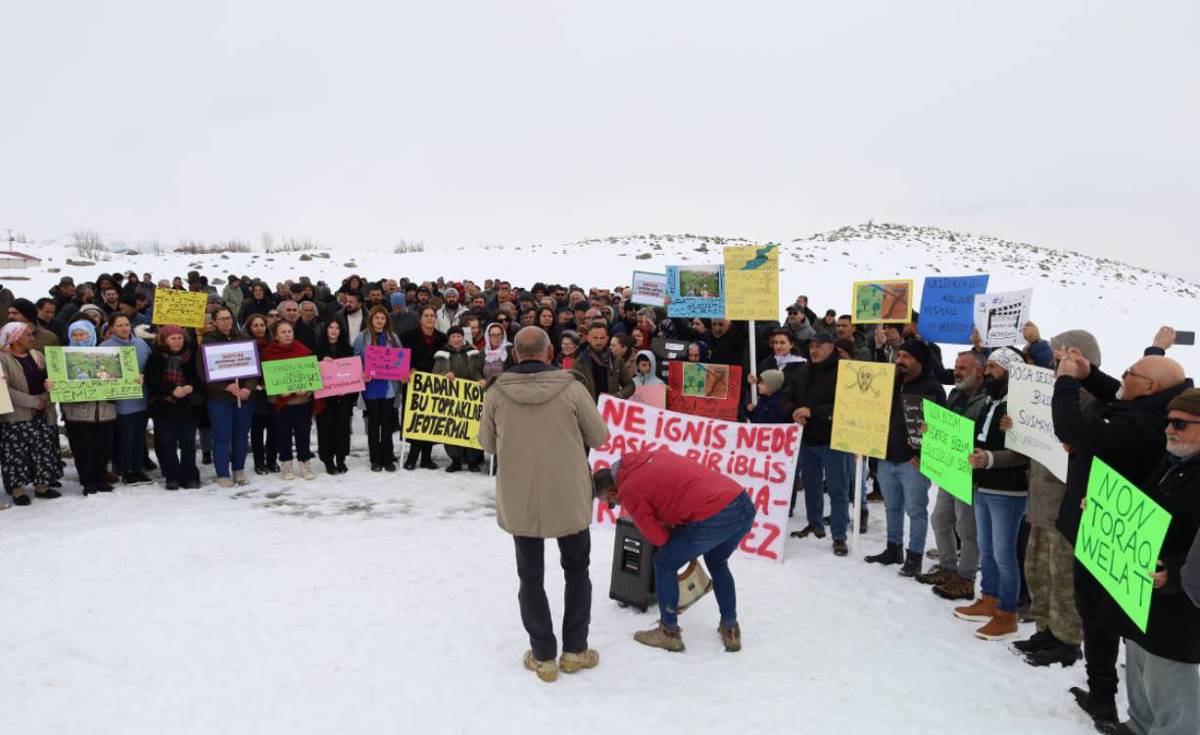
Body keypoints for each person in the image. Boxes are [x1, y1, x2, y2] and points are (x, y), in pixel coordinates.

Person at [1052, 342, 1191, 730]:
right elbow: (1117, 391)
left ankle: (1106, 698)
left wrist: (1065, 381)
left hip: (1120, 541)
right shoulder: (1158, 409)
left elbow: (1072, 427)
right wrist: (1088, 374)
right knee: (1100, 618)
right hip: (1107, 528)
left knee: (1104, 622)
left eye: (1130, 373)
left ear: (1148, 387)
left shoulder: (1145, 422)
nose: (1123, 377)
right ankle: (1111, 696)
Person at [478, 327, 609, 683]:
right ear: (550, 351)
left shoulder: (496, 392)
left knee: (530, 576)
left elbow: (486, 444)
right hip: (568, 493)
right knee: (577, 570)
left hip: (520, 495)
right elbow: (599, 436)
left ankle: (543, 656)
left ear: (516, 354)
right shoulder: (572, 388)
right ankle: (575, 650)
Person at [592, 446, 756, 654]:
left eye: (611, 503)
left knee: (664, 562)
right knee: (717, 562)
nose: (616, 505)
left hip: (712, 515)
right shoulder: (652, 455)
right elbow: (676, 492)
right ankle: (730, 628)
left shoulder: (628, 489)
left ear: (612, 492)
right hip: (741, 503)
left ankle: (668, 633)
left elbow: (659, 538)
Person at [1107, 387, 1200, 734]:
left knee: (1169, 680)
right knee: (1139, 663)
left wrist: (1174, 574)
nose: (1169, 430)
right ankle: (1139, 726)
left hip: (1180, 602)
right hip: (1143, 589)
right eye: (1168, 422)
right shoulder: (1173, 461)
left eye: (1180, 423)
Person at [1008, 330, 1101, 667]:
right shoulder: (1046, 390)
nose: (1055, 362)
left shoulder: (1090, 399)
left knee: (1063, 576)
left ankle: (1067, 640)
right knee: (1037, 571)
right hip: (1041, 500)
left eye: (1062, 356)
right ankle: (1046, 629)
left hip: (1065, 502)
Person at [952, 347, 1030, 641]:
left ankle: (1007, 613)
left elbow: (1024, 452)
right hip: (983, 484)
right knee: (988, 549)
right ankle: (990, 597)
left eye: (995, 368)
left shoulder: (1022, 407)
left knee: (1004, 554)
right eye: (989, 367)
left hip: (1008, 489)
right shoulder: (989, 400)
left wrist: (990, 459)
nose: (988, 372)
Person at [864, 340, 947, 575]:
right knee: (892, 506)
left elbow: (941, 428)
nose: (900, 360)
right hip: (886, 456)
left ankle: (914, 556)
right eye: (899, 355)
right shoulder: (889, 384)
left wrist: (924, 453)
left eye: (906, 356)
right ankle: (893, 548)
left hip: (913, 461)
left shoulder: (933, 388)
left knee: (916, 510)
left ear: (919, 361)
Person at [922, 351, 990, 600]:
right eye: (956, 366)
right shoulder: (956, 392)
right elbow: (948, 423)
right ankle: (948, 568)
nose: (956, 372)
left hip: (969, 472)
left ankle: (966, 578)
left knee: (966, 529)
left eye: (963, 368)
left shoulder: (987, 399)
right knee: (940, 519)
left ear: (979, 371)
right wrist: (932, 428)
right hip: (951, 469)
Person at [780, 333, 852, 554]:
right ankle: (815, 522)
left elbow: (848, 406)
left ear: (831, 347)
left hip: (834, 441)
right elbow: (785, 398)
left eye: (819, 346)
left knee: (837, 490)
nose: (814, 350)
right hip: (807, 440)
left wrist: (813, 412)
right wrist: (793, 412)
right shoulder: (803, 371)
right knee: (811, 486)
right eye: (812, 346)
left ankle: (839, 535)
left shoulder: (844, 372)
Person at [54, 320, 122, 496]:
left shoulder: (105, 354)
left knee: (103, 448)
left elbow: (117, 377)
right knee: (83, 449)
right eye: (74, 335)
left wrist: (132, 380)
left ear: (90, 335)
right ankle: (88, 481)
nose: (78, 338)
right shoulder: (62, 358)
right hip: (77, 414)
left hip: (105, 412)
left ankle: (100, 478)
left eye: (81, 334)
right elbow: (58, 383)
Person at [0, 322, 63, 505]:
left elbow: (50, 379)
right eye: (28, 335)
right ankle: (18, 489)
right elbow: (5, 390)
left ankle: (42, 486)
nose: (32, 338)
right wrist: (33, 402)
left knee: (43, 448)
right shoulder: (3, 359)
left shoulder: (38, 356)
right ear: (15, 337)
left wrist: (44, 396)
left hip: (42, 411)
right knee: (16, 452)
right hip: (17, 415)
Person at [143, 325, 203, 490]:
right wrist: (171, 389)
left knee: (188, 443)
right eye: (173, 338)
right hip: (164, 406)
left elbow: (200, 377)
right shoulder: (156, 357)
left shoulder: (191, 355)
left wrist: (190, 387)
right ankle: (172, 476)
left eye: (180, 338)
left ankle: (190, 476)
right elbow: (152, 380)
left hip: (188, 406)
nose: (177, 342)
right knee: (167, 444)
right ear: (165, 340)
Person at [205, 307, 257, 486]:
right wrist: (225, 386)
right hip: (220, 398)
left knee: (241, 435)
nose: (226, 322)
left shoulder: (244, 339)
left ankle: (238, 470)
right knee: (221, 435)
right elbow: (203, 372)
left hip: (243, 397)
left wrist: (249, 388)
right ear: (215, 322)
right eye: (222, 319)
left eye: (228, 318)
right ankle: (222, 473)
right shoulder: (209, 341)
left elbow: (253, 368)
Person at [100, 313, 154, 485]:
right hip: (122, 401)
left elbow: (150, 367)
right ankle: (126, 469)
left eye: (126, 324)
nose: (124, 328)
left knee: (139, 436)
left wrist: (145, 377)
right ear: (112, 328)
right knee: (125, 437)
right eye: (119, 325)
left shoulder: (141, 344)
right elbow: (100, 374)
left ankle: (138, 468)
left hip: (142, 398)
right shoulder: (105, 347)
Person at [262, 320, 316, 481]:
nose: (287, 334)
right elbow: (265, 379)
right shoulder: (269, 352)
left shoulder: (303, 350)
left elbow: (312, 377)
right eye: (283, 332)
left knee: (302, 433)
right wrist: (278, 390)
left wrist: (306, 390)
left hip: (301, 402)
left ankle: (305, 463)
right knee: (282, 433)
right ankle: (286, 465)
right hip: (280, 403)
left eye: (289, 331)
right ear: (276, 335)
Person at [354, 306, 401, 472]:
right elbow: (355, 358)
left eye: (382, 318)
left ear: (386, 320)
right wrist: (362, 372)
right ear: (371, 320)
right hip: (371, 387)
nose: (380, 321)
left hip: (388, 387)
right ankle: (375, 459)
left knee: (387, 425)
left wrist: (401, 373)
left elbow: (399, 358)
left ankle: (388, 458)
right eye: (377, 318)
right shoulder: (362, 337)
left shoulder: (393, 337)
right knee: (373, 425)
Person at [400, 305, 447, 470]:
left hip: (434, 386)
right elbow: (401, 357)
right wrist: (408, 368)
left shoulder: (443, 338)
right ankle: (412, 457)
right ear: (420, 318)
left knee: (430, 420)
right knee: (415, 418)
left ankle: (426, 457)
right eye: (426, 315)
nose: (429, 318)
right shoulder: (408, 336)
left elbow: (447, 358)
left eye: (432, 315)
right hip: (414, 383)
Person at [432, 326, 484, 473]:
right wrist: (444, 375)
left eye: (459, 336)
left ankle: (473, 460)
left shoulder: (473, 353)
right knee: (452, 428)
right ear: (449, 339)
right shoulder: (442, 355)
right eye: (453, 336)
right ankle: (455, 460)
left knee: (472, 426)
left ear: (463, 338)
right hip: (450, 397)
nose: (456, 339)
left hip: (470, 398)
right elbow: (434, 374)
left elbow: (478, 371)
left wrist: (480, 379)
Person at [315, 318, 356, 475]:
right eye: (330, 327)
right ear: (325, 330)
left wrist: (348, 390)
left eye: (337, 328)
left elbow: (353, 373)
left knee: (342, 428)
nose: (333, 330)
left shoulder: (348, 349)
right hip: (325, 399)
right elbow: (310, 371)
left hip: (343, 397)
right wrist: (320, 361)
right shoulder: (317, 349)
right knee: (325, 429)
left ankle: (341, 459)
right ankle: (328, 460)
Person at [243, 313, 278, 475]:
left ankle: (272, 460)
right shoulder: (243, 345)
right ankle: (259, 462)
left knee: (273, 428)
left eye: (262, 325)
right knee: (257, 430)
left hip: (273, 391)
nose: (259, 328)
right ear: (250, 328)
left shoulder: (274, 343)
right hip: (254, 392)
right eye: (255, 326)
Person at [570, 321, 635, 403]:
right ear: (589, 339)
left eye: (602, 338)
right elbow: (573, 389)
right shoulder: (580, 363)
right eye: (595, 338)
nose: (598, 342)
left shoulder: (616, 360)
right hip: (589, 409)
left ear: (607, 339)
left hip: (610, 409)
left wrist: (617, 397)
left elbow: (630, 385)